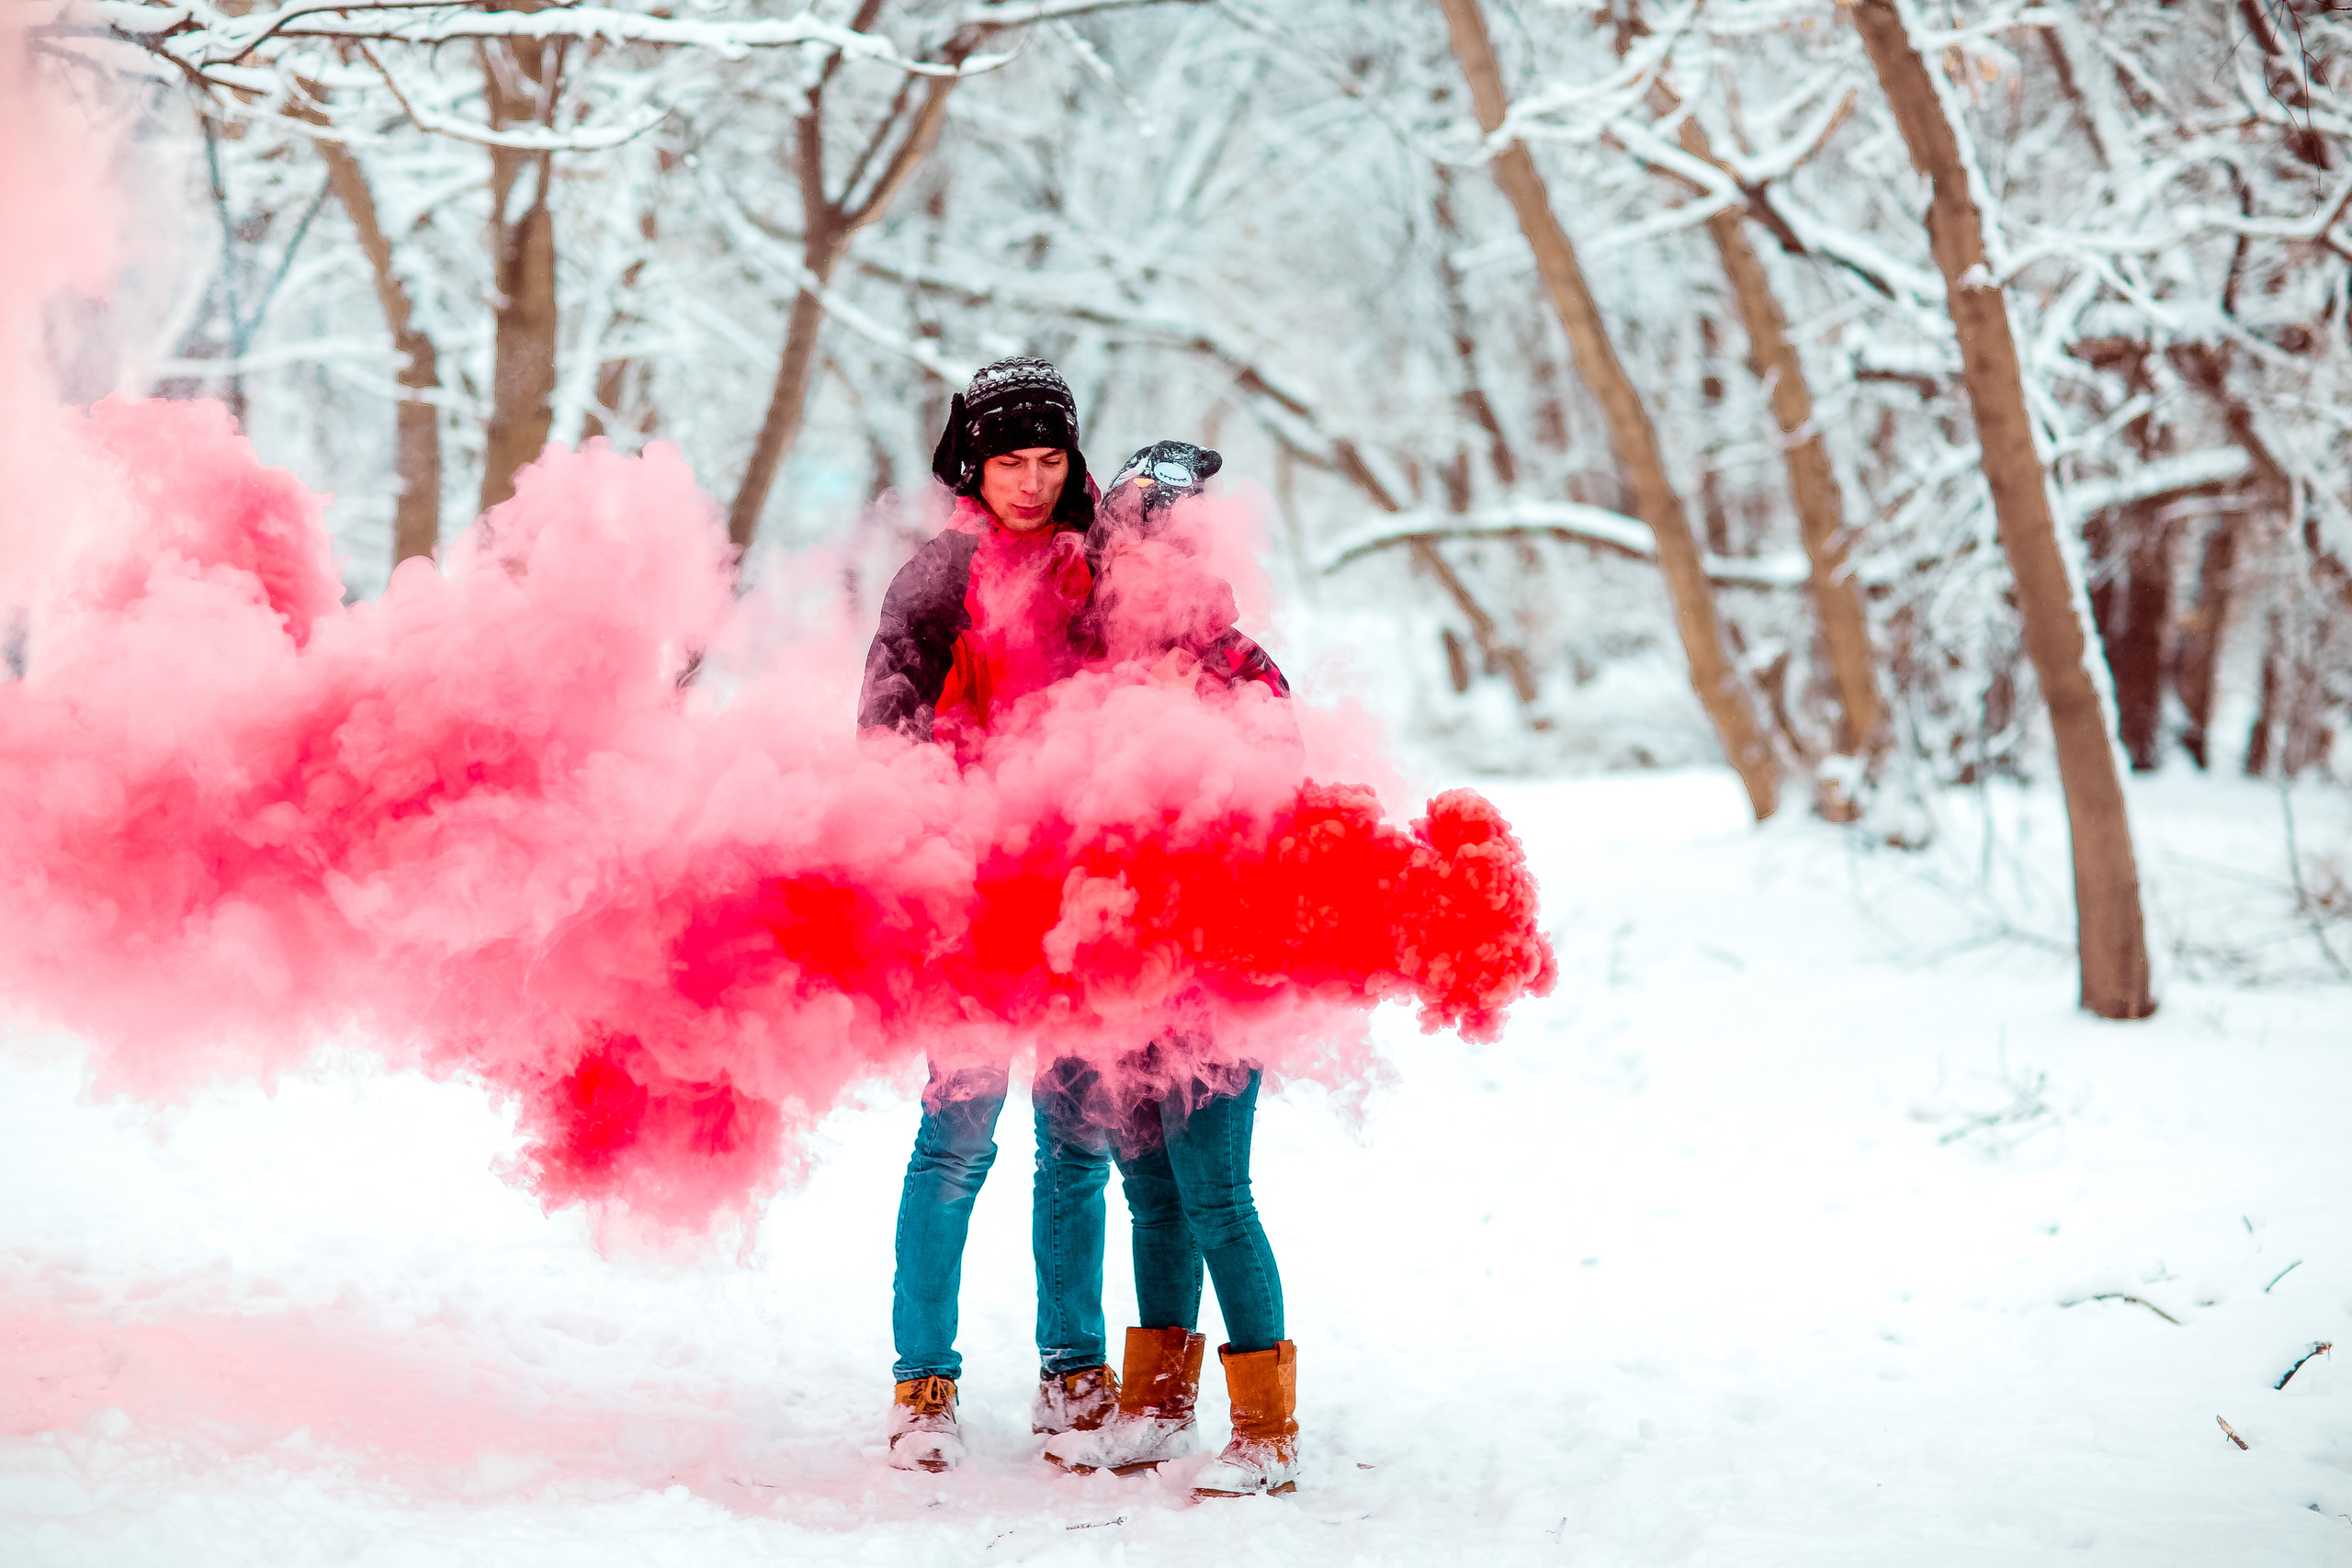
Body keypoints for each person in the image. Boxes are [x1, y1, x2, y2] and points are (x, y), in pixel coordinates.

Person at [859, 357, 1120, 1472]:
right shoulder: (934, 581)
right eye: (1007, 461)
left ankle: (1072, 1371)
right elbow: (882, 738)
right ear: (974, 463)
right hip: (969, 904)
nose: (1028, 481)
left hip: (1086, 901)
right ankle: (924, 1386)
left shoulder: (1108, 569)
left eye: (1048, 459)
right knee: (955, 1145)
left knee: (1078, 1149)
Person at [1039, 443, 1302, 1499]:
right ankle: (1157, 1410)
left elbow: (1281, 808)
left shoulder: (1239, 665)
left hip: (1222, 966)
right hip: (1122, 967)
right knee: (1150, 1189)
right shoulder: (1095, 666)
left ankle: (1269, 1435)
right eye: (1121, 553)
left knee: (1217, 1195)